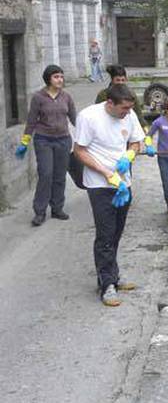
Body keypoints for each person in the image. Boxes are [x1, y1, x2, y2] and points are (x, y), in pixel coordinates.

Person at [73, 84, 145, 307]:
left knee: (117, 231)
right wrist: (105, 172)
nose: (126, 113)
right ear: (110, 103)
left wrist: (130, 154)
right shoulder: (89, 116)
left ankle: (112, 274)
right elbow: (79, 150)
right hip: (99, 184)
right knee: (105, 234)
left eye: (129, 109)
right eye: (123, 109)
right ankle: (107, 285)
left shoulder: (129, 114)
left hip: (123, 182)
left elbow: (136, 140)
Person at [15, 65, 76, 226]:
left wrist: (88, 137)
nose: (60, 80)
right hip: (44, 140)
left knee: (60, 176)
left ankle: (57, 208)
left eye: (62, 76)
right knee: (46, 174)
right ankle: (40, 212)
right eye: (56, 77)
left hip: (63, 140)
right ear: (48, 78)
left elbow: (75, 119)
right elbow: (31, 120)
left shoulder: (67, 97)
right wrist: (25, 141)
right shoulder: (38, 97)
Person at [95, 65, 146, 131]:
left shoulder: (131, 94)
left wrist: (144, 127)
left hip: (126, 127)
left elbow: (138, 113)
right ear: (112, 80)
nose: (120, 83)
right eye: (118, 80)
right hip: (107, 127)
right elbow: (97, 113)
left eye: (123, 80)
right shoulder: (103, 95)